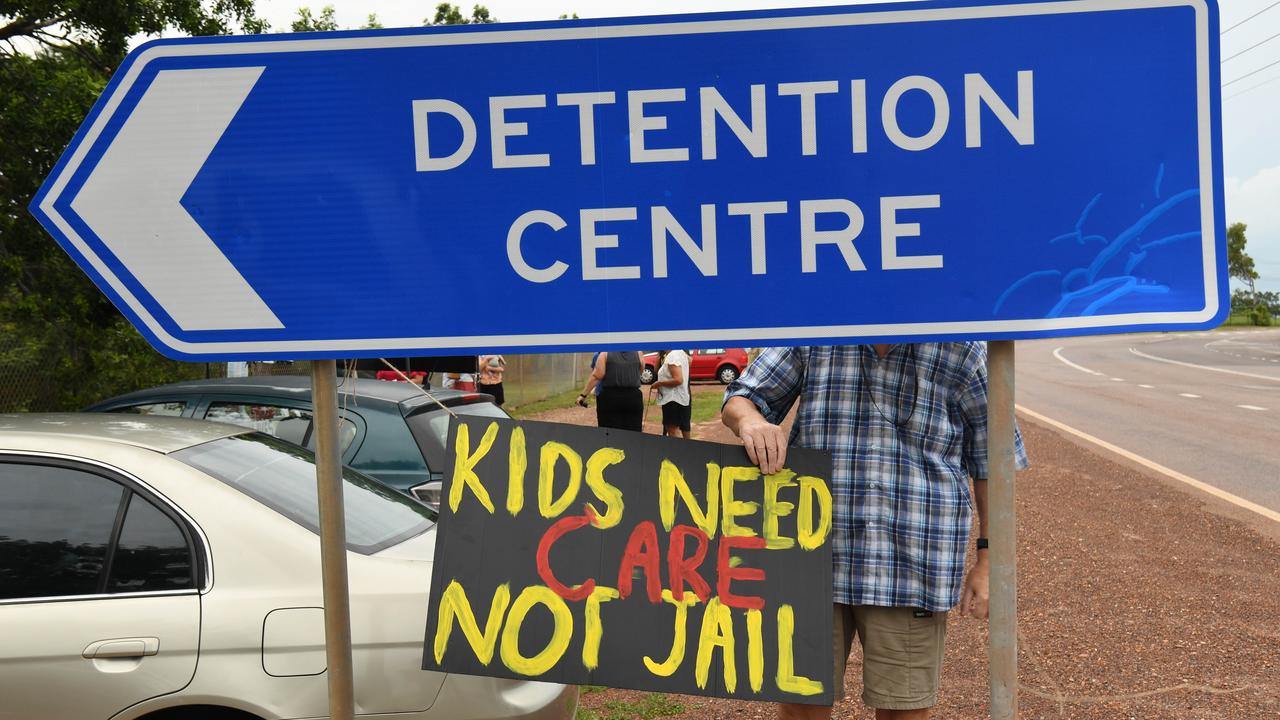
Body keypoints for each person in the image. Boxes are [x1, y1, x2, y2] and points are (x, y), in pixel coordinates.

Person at [721, 343, 1027, 720]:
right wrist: (750, 421)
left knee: (905, 707)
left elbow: (993, 460)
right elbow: (741, 397)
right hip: (812, 559)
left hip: (912, 561)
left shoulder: (962, 348)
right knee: (801, 703)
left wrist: (988, 558)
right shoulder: (817, 330)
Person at [577, 350, 644, 431]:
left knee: (609, 432)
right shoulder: (639, 353)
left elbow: (597, 375)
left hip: (610, 398)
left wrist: (583, 395)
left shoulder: (605, 353)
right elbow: (640, 370)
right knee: (633, 430)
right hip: (633, 398)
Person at [652, 349, 691, 438]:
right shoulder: (681, 353)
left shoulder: (672, 356)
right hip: (681, 398)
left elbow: (678, 379)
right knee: (681, 429)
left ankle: (675, 451)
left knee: (672, 431)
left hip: (672, 399)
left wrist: (659, 383)